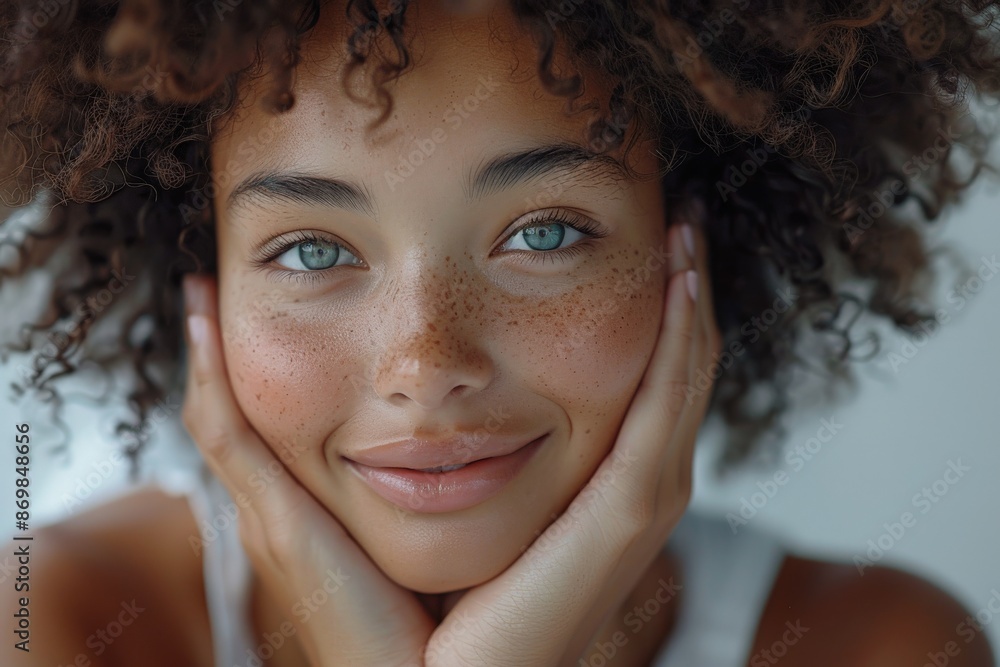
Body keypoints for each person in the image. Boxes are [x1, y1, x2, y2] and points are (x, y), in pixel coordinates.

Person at [1, 0, 998, 665]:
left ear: (688, 250)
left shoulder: (878, 646)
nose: (426, 364)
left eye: (544, 233)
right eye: (311, 251)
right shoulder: (50, 623)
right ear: (202, 279)